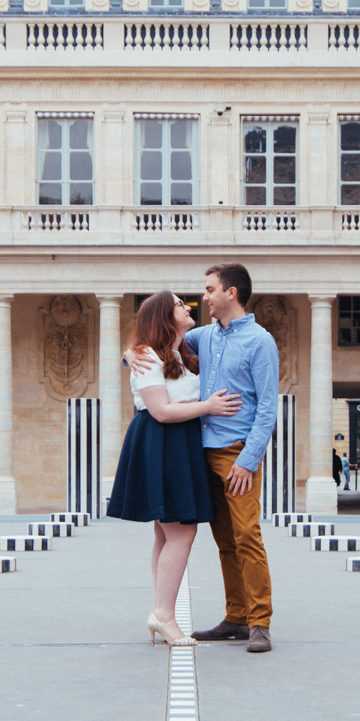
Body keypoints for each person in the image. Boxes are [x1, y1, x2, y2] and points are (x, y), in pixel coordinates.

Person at [130, 263, 281, 653]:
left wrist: (249, 460)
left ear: (231, 293)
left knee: (247, 535)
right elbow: (158, 339)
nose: (204, 297)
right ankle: (235, 616)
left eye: (210, 289)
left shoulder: (260, 342)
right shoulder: (204, 336)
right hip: (199, 449)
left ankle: (259, 621)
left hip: (236, 453)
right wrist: (130, 355)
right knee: (224, 539)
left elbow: (267, 408)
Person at [106, 291, 240, 648]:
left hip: (177, 442)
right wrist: (208, 406)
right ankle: (163, 615)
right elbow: (161, 410)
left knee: (167, 534)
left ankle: (161, 611)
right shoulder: (146, 355)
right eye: (180, 305)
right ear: (165, 316)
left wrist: (128, 351)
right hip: (162, 438)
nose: (188, 307)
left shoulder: (179, 350)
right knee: (181, 532)